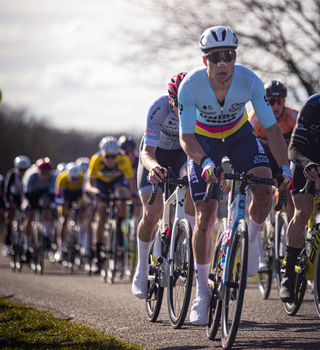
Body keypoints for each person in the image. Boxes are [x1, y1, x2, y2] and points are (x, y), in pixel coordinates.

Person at [178, 25, 292, 325]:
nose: (222, 63)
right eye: (215, 57)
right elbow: (185, 137)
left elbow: (271, 129)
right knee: (206, 216)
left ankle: (251, 238)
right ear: (206, 61)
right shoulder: (190, 87)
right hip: (203, 141)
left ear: (235, 56)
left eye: (228, 56)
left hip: (239, 135)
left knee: (265, 190)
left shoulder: (249, 80)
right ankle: (202, 293)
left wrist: (285, 168)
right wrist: (203, 162)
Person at [132, 72, 195, 299]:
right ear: (171, 100)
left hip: (180, 156)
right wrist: (154, 168)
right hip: (156, 154)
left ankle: (186, 242)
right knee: (152, 213)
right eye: (180, 104)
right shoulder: (158, 108)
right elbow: (147, 152)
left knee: (192, 183)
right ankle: (141, 269)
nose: (185, 108)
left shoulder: (198, 107)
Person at [249, 80, 298, 269]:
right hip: (261, 157)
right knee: (262, 197)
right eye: (270, 101)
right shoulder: (256, 117)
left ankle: (291, 237)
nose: (275, 105)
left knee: (292, 196)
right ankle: (258, 249)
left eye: (279, 101)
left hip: (282, 158)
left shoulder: (292, 115)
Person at [279, 93, 320, 302]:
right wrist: (307, 164)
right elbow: (293, 148)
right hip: (306, 160)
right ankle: (289, 272)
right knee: (303, 212)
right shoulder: (313, 105)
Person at [86, 136, 138, 272]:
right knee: (101, 214)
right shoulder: (95, 160)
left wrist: (133, 195)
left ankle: (119, 223)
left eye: (113, 156)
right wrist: (95, 192)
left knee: (122, 197)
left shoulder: (123, 160)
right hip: (101, 186)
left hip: (117, 184)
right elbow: (89, 185)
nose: (110, 160)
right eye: (107, 156)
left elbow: (132, 183)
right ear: (102, 154)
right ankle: (97, 256)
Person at [21, 157, 56, 262]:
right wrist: (28, 205)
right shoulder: (30, 176)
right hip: (30, 197)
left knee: (47, 211)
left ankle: (46, 237)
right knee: (29, 217)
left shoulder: (53, 178)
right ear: (38, 172)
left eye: (47, 173)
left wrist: (51, 204)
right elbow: (26, 194)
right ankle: (26, 247)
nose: (45, 176)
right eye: (42, 173)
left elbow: (53, 195)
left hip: (44, 197)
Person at [54, 161, 85, 261]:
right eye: (72, 178)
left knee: (82, 213)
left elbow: (84, 195)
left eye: (76, 178)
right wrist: (62, 203)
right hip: (66, 197)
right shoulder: (62, 178)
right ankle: (60, 250)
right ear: (68, 175)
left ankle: (80, 240)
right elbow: (58, 196)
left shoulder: (83, 178)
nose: (75, 181)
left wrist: (82, 203)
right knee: (64, 220)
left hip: (78, 195)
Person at [3, 155, 31, 256]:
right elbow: (6, 191)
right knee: (10, 217)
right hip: (14, 198)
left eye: (25, 169)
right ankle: (7, 244)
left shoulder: (30, 175)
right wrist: (8, 203)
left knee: (27, 219)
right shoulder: (12, 175)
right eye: (20, 169)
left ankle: (26, 243)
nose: (22, 172)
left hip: (25, 197)